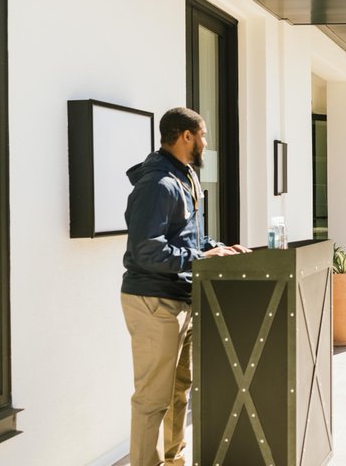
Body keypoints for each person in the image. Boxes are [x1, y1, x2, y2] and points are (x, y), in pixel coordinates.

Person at [120, 107, 251, 466]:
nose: (206, 143)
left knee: (178, 391)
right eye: (203, 135)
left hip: (179, 297)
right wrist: (199, 258)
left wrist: (215, 248)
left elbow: (186, 237)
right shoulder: (158, 184)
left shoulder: (184, 178)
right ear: (185, 136)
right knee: (152, 399)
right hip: (153, 301)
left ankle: (174, 458)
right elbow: (147, 249)